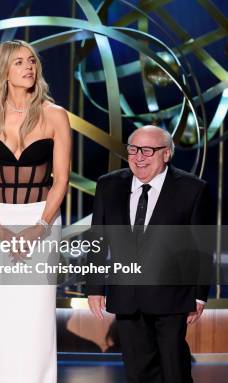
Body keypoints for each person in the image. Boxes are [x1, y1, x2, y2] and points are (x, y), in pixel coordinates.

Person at [0, 40, 71, 383]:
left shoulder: (56, 116)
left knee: (37, 313)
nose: (28, 67)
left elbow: (61, 180)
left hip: (41, 219)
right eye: (19, 62)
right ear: (4, 70)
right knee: (1, 313)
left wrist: (39, 227)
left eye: (31, 61)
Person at [86, 125, 211, 383]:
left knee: (174, 369)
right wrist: (95, 287)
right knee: (138, 372)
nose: (139, 157)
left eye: (147, 150)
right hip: (127, 295)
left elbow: (202, 247)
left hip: (172, 297)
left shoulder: (192, 189)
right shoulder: (108, 185)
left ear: (166, 154)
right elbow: (98, 240)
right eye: (133, 150)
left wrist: (200, 295)